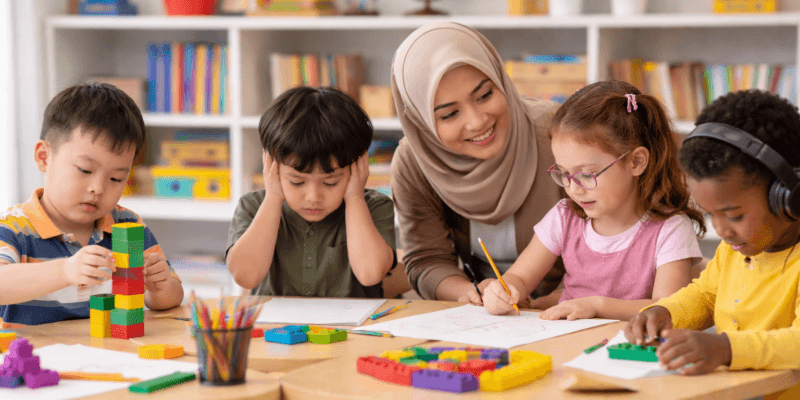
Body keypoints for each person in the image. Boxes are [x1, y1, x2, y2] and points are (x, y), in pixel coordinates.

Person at [625, 90, 800, 399]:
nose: (721, 230)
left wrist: (725, 349)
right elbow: (705, 297)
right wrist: (664, 313)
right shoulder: (737, 248)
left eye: (733, 215)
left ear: (788, 197)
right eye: (710, 215)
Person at [483, 80, 706, 321]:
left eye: (586, 175)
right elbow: (520, 277)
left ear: (636, 162)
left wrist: (597, 306)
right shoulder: (564, 216)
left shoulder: (670, 229)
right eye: (564, 174)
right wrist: (504, 290)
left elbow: (667, 308)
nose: (573, 189)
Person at [391, 22, 566, 305]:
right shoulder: (414, 162)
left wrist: (549, 302)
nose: (477, 122)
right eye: (449, 114)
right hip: (486, 314)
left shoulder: (557, 134)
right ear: (421, 122)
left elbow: (610, 243)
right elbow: (427, 260)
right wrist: (471, 295)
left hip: (570, 306)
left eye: (485, 95)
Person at [0, 83, 184, 326]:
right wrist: (66, 271)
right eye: (85, 170)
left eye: (116, 178)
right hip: (35, 360)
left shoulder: (127, 224)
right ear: (44, 157)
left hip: (109, 356)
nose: (98, 188)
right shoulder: (14, 227)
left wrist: (160, 287)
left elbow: (172, 297)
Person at [226, 86, 396, 297]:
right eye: (297, 182)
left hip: (351, 330)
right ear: (272, 166)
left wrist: (355, 198)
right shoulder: (253, 206)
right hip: (277, 329)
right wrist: (273, 198)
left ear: (356, 169)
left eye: (331, 182)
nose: (313, 197)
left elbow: (370, 274)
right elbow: (245, 276)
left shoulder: (373, 206)